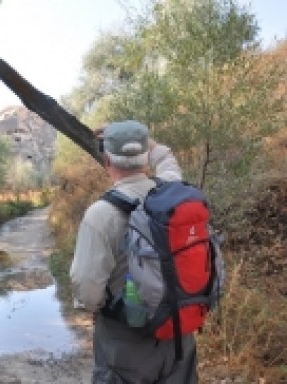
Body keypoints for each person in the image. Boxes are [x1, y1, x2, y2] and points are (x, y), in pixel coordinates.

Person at [70, 120, 198, 383]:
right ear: (146, 159)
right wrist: (140, 138)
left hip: (126, 340)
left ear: (107, 160)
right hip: (178, 331)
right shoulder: (172, 191)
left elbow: (88, 292)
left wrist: (93, 307)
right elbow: (165, 156)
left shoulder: (100, 215)